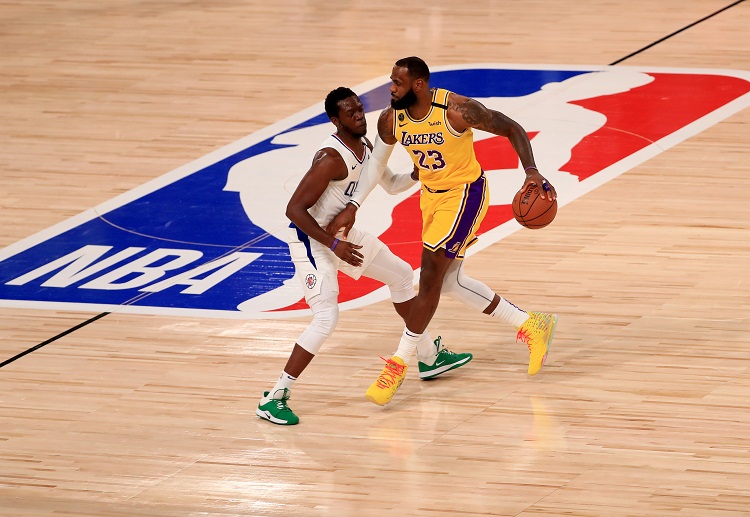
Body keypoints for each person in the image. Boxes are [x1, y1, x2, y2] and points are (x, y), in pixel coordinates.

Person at [327, 57, 559, 399]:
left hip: (465, 194)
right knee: (449, 282)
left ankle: (397, 366)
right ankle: (530, 324)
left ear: (418, 85)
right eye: (392, 81)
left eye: (397, 83)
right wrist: (354, 205)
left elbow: (512, 128)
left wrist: (531, 171)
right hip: (431, 199)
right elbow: (376, 164)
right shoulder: (392, 119)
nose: (390, 88)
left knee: (429, 280)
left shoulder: (457, 110)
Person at [256, 87, 473, 426]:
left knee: (402, 275)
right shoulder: (331, 158)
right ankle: (275, 396)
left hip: (340, 238)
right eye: (351, 113)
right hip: (312, 242)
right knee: (326, 318)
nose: (359, 115)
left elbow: (392, 185)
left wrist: (420, 171)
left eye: (360, 109)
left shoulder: (367, 146)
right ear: (335, 120)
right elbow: (294, 210)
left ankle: (429, 356)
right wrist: (332, 244)